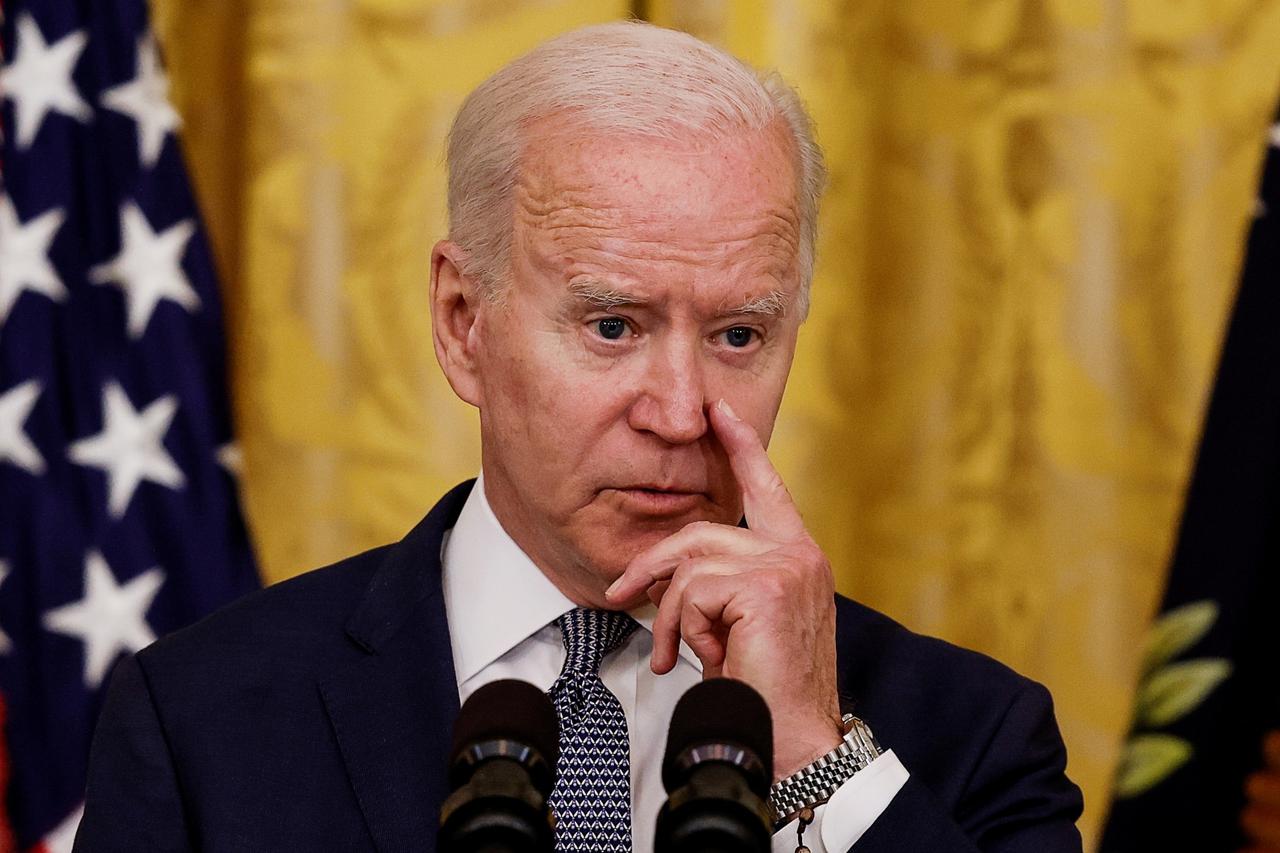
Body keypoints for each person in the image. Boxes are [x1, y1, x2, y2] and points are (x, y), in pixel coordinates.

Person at [74, 20, 1083, 853]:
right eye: (613, 326)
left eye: (739, 334)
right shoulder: (201, 720)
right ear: (463, 320)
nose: (679, 410)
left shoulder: (967, 733)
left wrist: (816, 759)